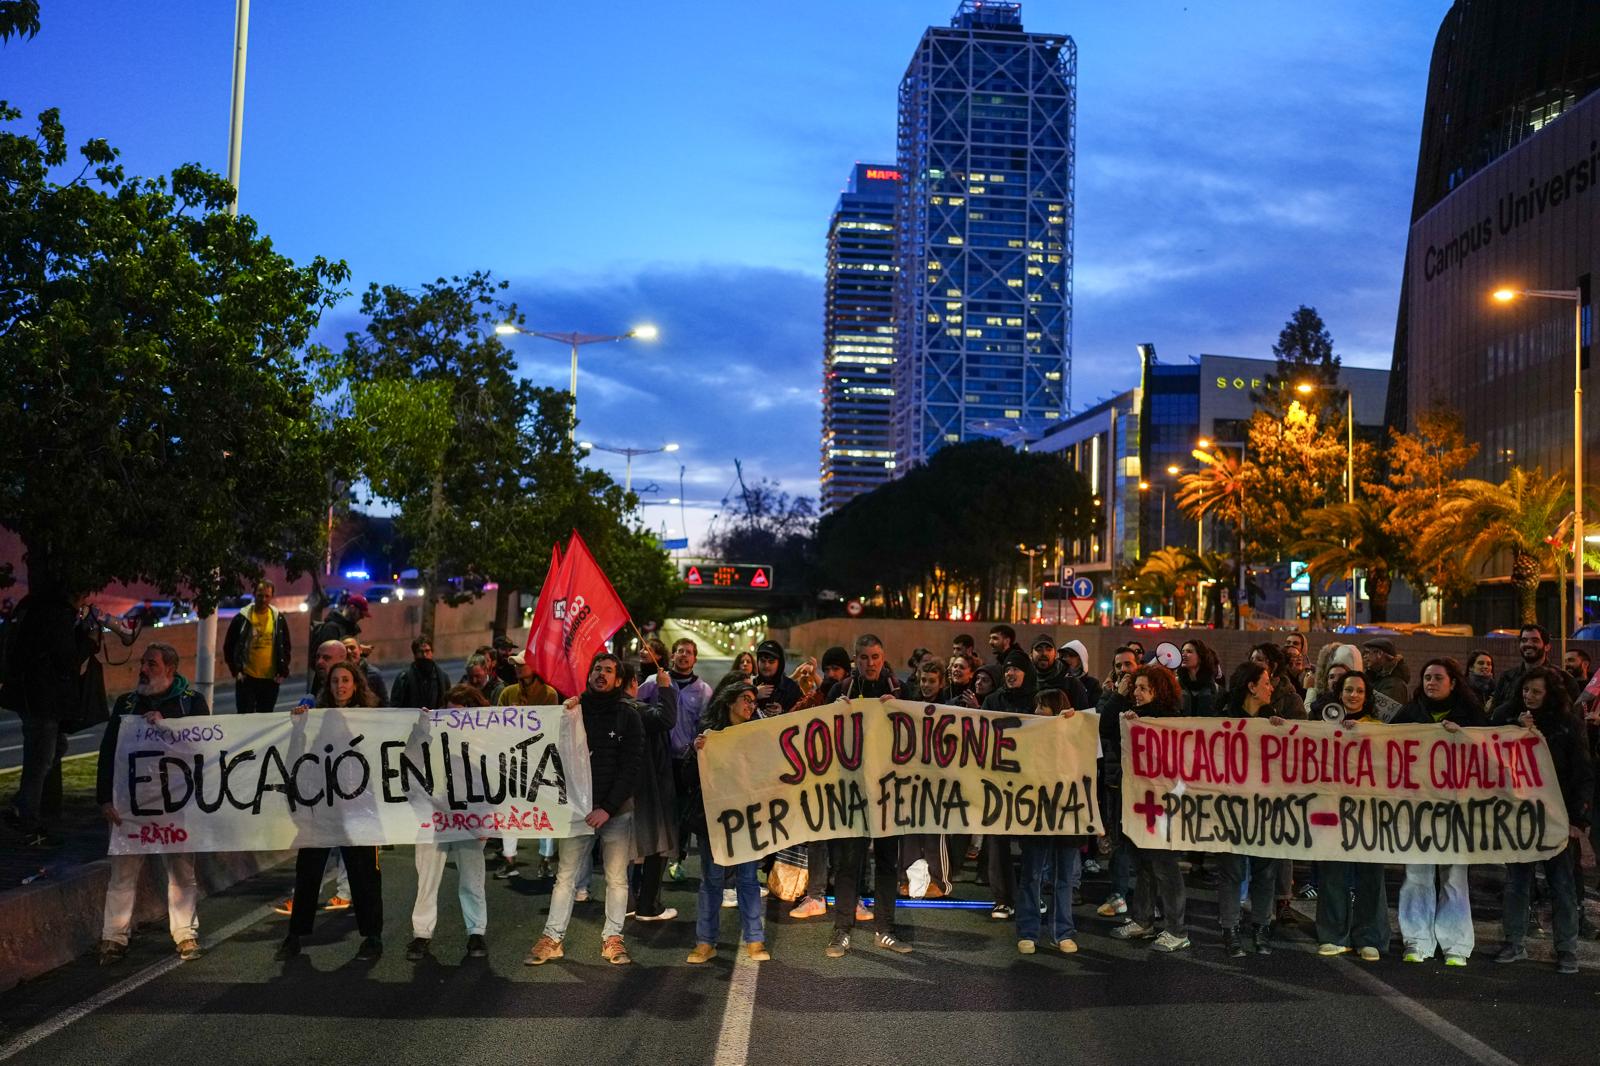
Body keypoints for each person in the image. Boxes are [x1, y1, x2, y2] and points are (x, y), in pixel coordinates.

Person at [525, 653, 644, 967]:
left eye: (608, 671)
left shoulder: (628, 716)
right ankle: (552, 939)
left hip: (615, 813)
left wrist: (606, 808)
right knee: (565, 877)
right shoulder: (573, 711)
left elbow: (632, 767)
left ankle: (613, 939)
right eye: (596, 669)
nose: (600, 674)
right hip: (577, 810)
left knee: (616, 879)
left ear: (618, 680)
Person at [95, 643, 208, 964]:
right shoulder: (127, 704)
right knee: (122, 874)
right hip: (132, 809)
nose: (143, 670)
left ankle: (185, 934)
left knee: (182, 873)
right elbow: (109, 752)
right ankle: (113, 937)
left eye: (152, 665)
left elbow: (204, 747)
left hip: (177, 807)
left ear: (170, 670)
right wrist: (104, 798)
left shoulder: (191, 703)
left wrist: (167, 724)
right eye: (143, 663)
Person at [275, 661, 385, 961]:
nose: (340, 686)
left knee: (365, 875)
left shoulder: (371, 719)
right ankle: (295, 935)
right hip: (322, 810)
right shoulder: (316, 719)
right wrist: (299, 727)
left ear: (356, 683)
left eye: (346, 680)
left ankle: (372, 936)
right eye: (335, 681)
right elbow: (297, 756)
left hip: (359, 810)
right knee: (307, 873)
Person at [1492, 665, 1592, 975]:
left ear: (1550, 694)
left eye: (1536, 692)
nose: (1529, 696)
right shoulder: (1510, 718)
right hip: (1519, 817)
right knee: (1517, 883)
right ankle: (1514, 941)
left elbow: (1581, 772)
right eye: (1525, 690)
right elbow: (1490, 742)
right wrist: (1517, 728)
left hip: (1556, 816)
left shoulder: (1566, 726)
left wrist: (1578, 820)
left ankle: (1566, 948)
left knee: (1562, 885)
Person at [1392, 658, 1486, 966]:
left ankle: (1456, 944)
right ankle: (1416, 941)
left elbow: (1489, 751)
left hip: (1456, 810)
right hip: (1417, 808)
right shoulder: (1408, 713)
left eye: (1437, 677)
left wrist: (1464, 737)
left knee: (1454, 876)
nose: (1431, 682)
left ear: (1453, 682)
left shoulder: (1471, 716)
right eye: (1427, 677)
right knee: (1417, 874)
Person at [825, 634, 913, 958]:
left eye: (875, 656)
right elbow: (818, 735)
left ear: (883, 655)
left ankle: (885, 929)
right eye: (864, 657)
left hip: (891, 793)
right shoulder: (840, 691)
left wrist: (902, 710)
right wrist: (833, 713)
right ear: (855, 659)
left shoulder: (901, 690)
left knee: (888, 862)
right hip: (854, 792)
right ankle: (841, 930)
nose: (871, 663)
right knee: (849, 862)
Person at [684, 679, 770, 963]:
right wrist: (695, 751)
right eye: (745, 699)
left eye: (753, 701)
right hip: (714, 819)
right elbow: (688, 775)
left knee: (747, 879)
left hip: (746, 818)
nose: (750, 705)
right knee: (712, 880)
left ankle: (755, 940)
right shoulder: (709, 735)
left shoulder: (757, 734)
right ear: (730, 701)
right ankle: (706, 942)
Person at [1212, 661, 1293, 958]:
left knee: (1265, 872)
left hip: (1266, 809)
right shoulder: (1221, 719)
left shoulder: (1275, 721)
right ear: (1251, 687)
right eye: (1266, 682)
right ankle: (1230, 929)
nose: (1271, 688)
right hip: (1231, 808)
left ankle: (1261, 927)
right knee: (1231, 871)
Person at [407, 683, 492, 962]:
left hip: (469, 816)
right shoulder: (431, 733)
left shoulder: (485, 741)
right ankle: (421, 933)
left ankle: (476, 931)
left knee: (472, 877)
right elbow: (411, 759)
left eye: (459, 713)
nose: (453, 719)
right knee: (426, 879)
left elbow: (496, 779)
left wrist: (487, 819)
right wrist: (421, 728)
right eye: (449, 713)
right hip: (435, 815)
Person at [1110, 663, 1190, 952]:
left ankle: (1177, 930)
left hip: (1164, 807)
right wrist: (1122, 704)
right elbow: (1106, 727)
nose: (1138, 693)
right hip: (1138, 804)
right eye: (1136, 688)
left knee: (1164, 867)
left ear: (1161, 691)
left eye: (1145, 688)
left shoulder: (1171, 722)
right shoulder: (1135, 718)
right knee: (1143, 864)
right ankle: (1143, 920)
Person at [1312, 671, 1390, 961]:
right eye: (1348, 690)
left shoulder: (1380, 728)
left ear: (1367, 696)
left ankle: (1370, 937)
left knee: (1371, 873)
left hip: (1370, 812)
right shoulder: (1322, 724)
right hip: (1333, 810)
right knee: (1333, 871)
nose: (1353, 695)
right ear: (1339, 693)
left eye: (1359, 690)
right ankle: (1333, 935)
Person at [1015, 688, 1085, 955]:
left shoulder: (1076, 733)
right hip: (1035, 813)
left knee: (1063, 877)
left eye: (1041, 707)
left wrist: (1074, 726)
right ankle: (1028, 932)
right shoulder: (1029, 736)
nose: (1036, 713)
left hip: (1068, 813)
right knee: (1031, 875)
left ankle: (1062, 932)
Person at [787, 644, 855, 918]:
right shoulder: (819, 696)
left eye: (835, 669)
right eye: (826, 669)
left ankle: (848, 895)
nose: (830, 674)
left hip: (848, 781)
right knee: (817, 837)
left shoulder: (857, 694)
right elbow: (792, 717)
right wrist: (820, 691)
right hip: (818, 780)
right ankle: (816, 895)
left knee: (846, 841)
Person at [491, 651, 563, 879]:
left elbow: (549, 726)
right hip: (512, 761)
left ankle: (545, 859)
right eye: (516, 666)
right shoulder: (507, 693)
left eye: (522, 665)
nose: (518, 669)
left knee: (544, 810)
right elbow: (498, 725)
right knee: (510, 809)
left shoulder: (549, 693)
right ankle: (509, 859)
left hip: (540, 761)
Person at [625, 657, 680, 925]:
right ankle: (648, 905)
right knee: (656, 844)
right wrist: (666, 687)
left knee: (622, 849)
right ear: (633, 684)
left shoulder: (602, 709)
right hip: (647, 786)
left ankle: (624, 903)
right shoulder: (637, 710)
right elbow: (667, 718)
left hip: (617, 790)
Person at [1095, 646, 1140, 919]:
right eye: (1119, 664)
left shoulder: (1149, 690)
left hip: (1147, 781)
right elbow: (1102, 725)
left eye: (1129, 664)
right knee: (1121, 840)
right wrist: (1116, 696)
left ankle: (1149, 898)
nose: (1124, 669)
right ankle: (1119, 894)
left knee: (1147, 843)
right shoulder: (1110, 696)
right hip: (1118, 780)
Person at [222, 579, 291, 713]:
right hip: (247, 678)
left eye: (267, 596)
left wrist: (283, 671)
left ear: (272, 596)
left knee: (265, 718)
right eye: (260, 595)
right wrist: (236, 671)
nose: (263, 599)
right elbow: (229, 646)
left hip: (270, 679)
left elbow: (285, 645)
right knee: (245, 717)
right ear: (254, 594)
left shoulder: (278, 619)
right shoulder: (242, 618)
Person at [1490, 624, 1580, 718]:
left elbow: (1575, 719)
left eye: (1535, 640)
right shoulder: (1507, 678)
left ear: (1547, 647)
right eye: (1524, 640)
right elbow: (1494, 716)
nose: (1528, 644)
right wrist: (1516, 721)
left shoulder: (1564, 680)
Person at [390, 637, 450, 709]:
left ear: (432, 652)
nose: (424, 655)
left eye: (427, 651)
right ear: (415, 654)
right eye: (420, 652)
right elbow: (395, 705)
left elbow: (447, 703)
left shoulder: (442, 677)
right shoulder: (403, 678)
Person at [1031, 635, 1089, 709]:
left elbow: (1082, 715)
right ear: (1031, 654)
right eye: (1039, 650)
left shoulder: (1070, 682)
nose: (1044, 653)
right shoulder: (1024, 680)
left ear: (1055, 654)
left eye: (1048, 649)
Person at [752, 639, 802, 716]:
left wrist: (783, 713)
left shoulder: (791, 688)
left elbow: (801, 716)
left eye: (771, 662)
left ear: (779, 664)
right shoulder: (750, 684)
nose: (766, 665)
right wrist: (753, 695)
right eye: (762, 661)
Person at [1361, 638, 1412, 705]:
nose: (1364, 656)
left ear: (1379, 653)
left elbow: (1381, 712)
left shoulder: (1395, 685)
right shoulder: (1375, 678)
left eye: (1367, 652)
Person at [1177, 639, 1220, 716]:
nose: (1183, 654)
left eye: (1189, 651)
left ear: (1200, 657)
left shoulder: (1215, 689)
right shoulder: (1175, 684)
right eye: (1182, 651)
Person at [342, 637, 388, 706]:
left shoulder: (374, 674)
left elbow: (385, 705)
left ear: (360, 650)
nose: (348, 651)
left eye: (352, 648)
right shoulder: (336, 675)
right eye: (345, 649)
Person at [1060, 639, 1100, 705]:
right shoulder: (1058, 681)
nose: (1067, 659)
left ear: (1081, 658)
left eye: (1071, 655)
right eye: (1064, 656)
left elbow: (1094, 709)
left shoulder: (1092, 684)